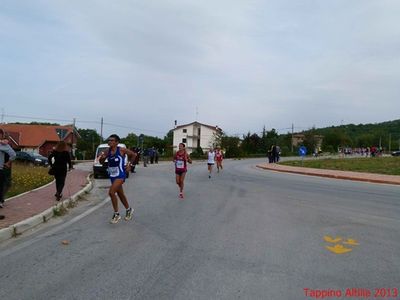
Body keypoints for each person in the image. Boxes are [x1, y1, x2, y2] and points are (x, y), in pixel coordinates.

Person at [98, 134, 137, 224]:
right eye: (109, 140)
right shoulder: (107, 151)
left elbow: (133, 155)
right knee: (120, 194)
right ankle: (129, 209)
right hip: (112, 175)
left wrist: (130, 165)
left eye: (112, 140)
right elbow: (101, 162)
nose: (109, 142)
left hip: (120, 175)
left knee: (111, 193)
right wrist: (102, 158)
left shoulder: (121, 150)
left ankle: (116, 214)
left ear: (116, 142)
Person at [0, 129, 16, 209]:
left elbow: (13, 154)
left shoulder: (4, 144)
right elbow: (13, 155)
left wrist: (8, 163)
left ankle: (1, 199)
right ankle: (1, 200)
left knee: (6, 184)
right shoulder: (3, 144)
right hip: (3, 167)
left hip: (4, 167)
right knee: (4, 184)